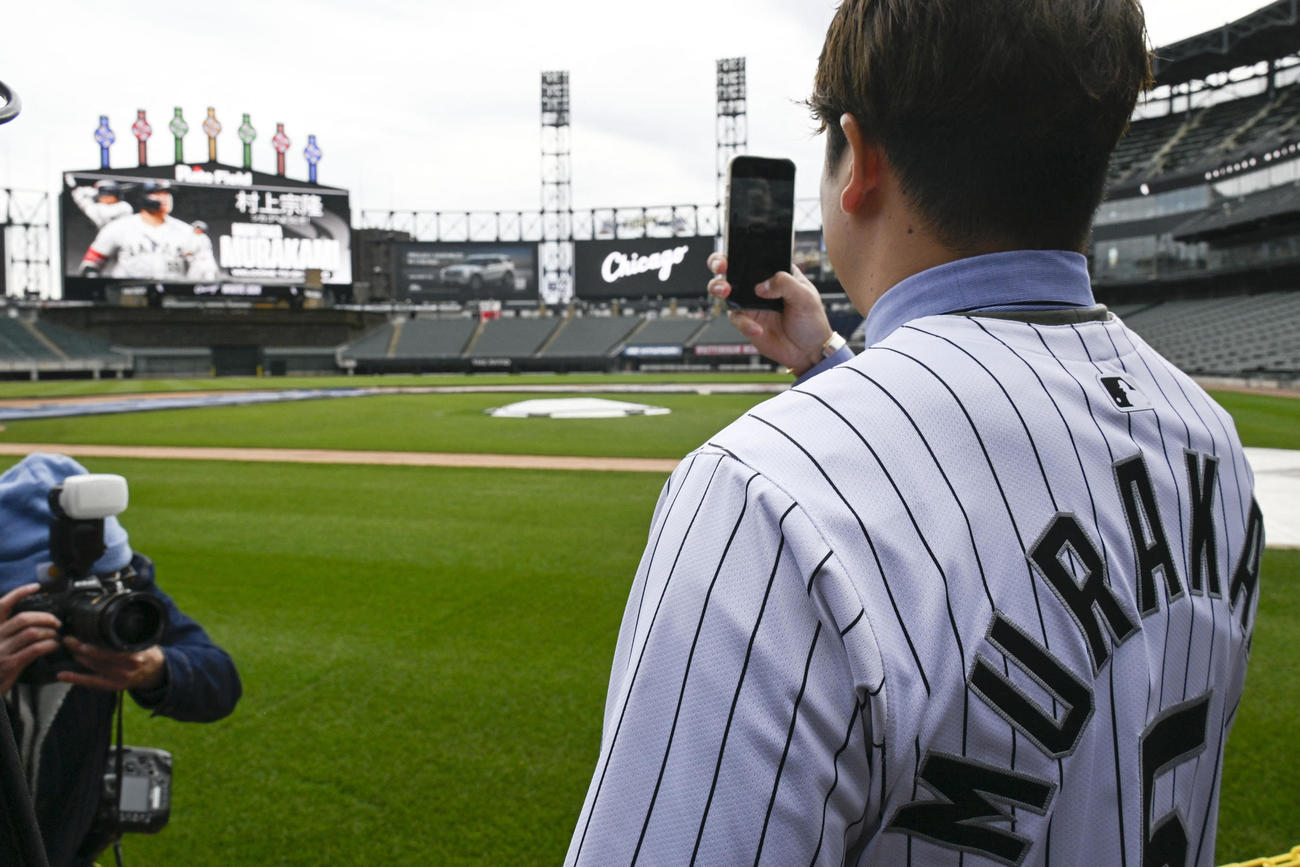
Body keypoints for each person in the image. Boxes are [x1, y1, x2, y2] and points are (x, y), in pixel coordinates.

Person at [565, 1, 1263, 865]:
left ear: (858, 162)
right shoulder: (1210, 440)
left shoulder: (765, 490)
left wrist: (838, 391)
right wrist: (829, 363)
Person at [0, 453, 241, 867]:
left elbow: (220, 683)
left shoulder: (119, 589)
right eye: (56, 599)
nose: (89, 607)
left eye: (101, 588)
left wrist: (156, 669)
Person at [78, 182, 219, 282]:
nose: (165, 197)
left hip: (172, 300)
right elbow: (90, 266)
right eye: (157, 193)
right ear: (141, 197)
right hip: (128, 301)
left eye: (167, 193)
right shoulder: (118, 228)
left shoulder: (187, 232)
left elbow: (206, 271)